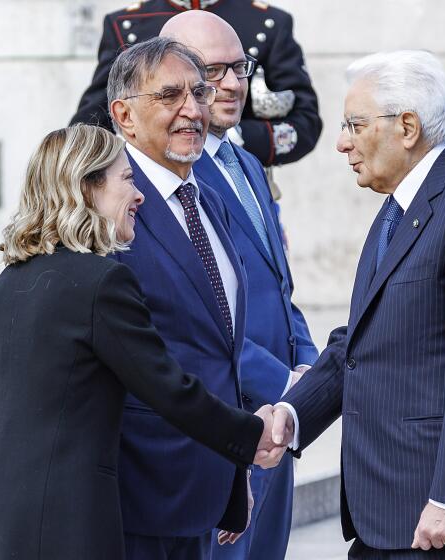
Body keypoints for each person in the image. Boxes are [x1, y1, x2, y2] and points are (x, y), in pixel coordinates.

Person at [0, 124, 283, 560]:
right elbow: (169, 391)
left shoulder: (5, 284)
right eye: (127, 179)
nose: (140, 195)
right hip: (66, 520)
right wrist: (251, 433)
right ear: (88, 186)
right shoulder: (101, 282)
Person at [269, 51, 445, 558]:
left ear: (407, 126)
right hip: (383, 512)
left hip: (441, 519)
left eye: (354, 124)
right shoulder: (396, 207)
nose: (342, 141)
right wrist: (293, 414)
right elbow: (362, 338)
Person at [105, 37, 277, 559]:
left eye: (199, 94)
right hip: (140, 494)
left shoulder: (207, 200)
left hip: (210, 485)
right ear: (125, 116)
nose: (193, 109)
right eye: (170, 95)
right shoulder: (109, 207)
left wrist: (232, 469)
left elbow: (216, 344)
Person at [158, 11, 318, 560]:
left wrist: (308, 371)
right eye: (212, 70)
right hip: (222, 423)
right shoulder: (167, 178)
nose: (231, 84)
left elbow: (279, 287)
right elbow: (190, 319)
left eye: (239, 67)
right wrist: (281, 384)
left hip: (277, 424)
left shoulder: (247, 163)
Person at [70, 0, 322, 169]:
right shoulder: (129, 25)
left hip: (242, 179)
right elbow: (91, 124)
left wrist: (231, 140)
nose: (232, 83)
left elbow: (305, 123)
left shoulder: (266, 22)